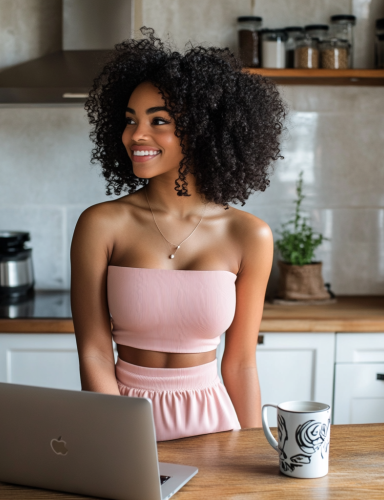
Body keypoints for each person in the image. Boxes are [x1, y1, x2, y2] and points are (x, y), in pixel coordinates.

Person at [71, 27, 286, 441]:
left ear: (204, 129)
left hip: (216, 424)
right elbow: (94, 353)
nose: (136, 135)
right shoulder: (101, 224)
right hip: (122, 418)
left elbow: (240, 363)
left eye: (159, 121)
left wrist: (252, 454)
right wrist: (120, 436)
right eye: (131, 120)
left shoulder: (250, 235)